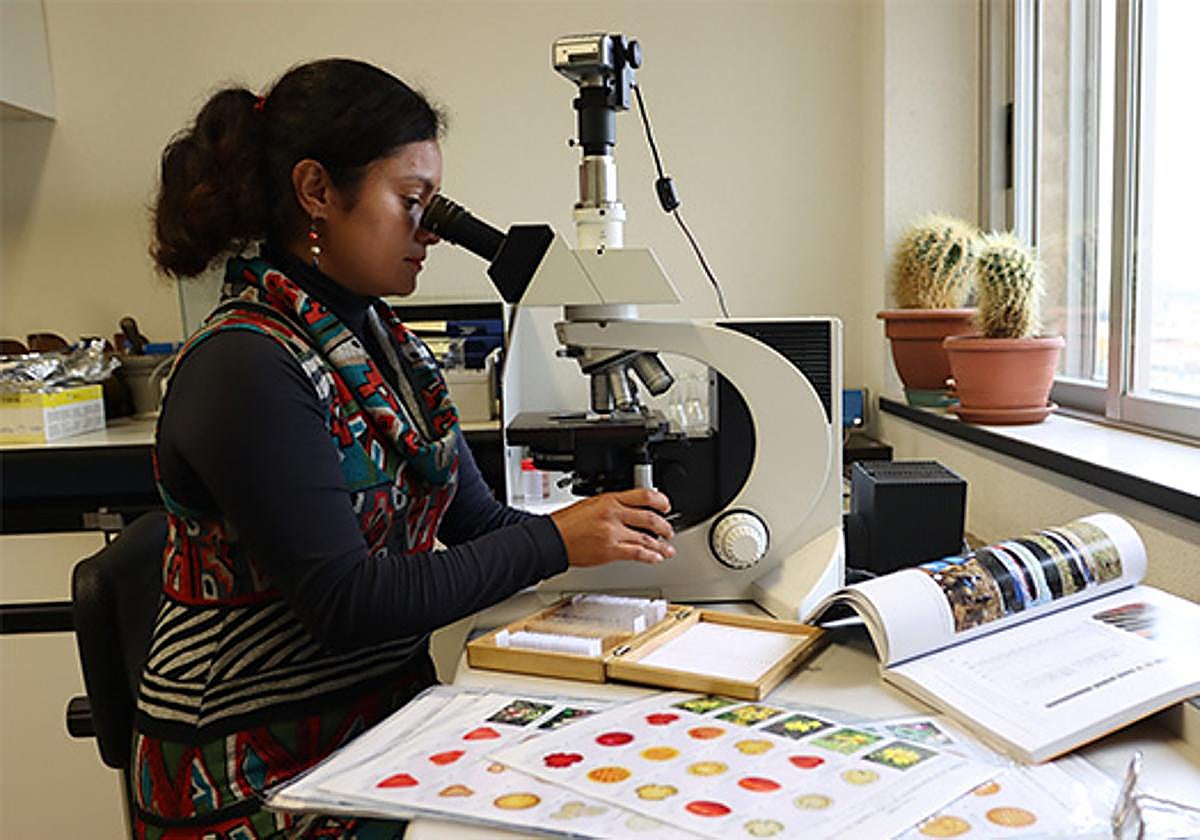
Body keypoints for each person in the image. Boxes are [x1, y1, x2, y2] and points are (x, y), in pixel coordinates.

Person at [137, 57, 675, 840]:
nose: (429, 232)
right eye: (411, 202)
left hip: (380, 729)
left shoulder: (383, 344)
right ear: (316, 190)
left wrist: (619, 542)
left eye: (434, 206)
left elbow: (481, 526)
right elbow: (348, 604)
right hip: (252, 776)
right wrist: (555, 540)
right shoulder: (247, 363)